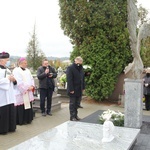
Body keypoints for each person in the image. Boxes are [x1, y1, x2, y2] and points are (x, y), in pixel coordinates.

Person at [13, 57, 35, 125]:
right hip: (21, 92)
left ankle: (28, 119)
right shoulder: (16, 70)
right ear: (20, 63)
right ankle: (21, 121)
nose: (26, 64)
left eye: (26, 63)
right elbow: (18, 81)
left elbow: (31, 79)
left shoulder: (27, 70)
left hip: (28, 91)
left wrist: (32, 86)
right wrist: (26, 88)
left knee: (28, 105)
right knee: (21, 106)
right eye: (25, 63)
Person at [0, 52, 17, 134]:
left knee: (10, 110)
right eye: (7, 60)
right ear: (1, 60)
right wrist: (7, 79)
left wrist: (14, 80)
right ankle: (3, 129)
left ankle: (11, 127)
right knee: (3, 111)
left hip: (10, 95)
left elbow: (12, 80)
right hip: (2, 94)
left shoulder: (7, 69)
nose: (8, 62)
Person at [66, 56, 85, 121]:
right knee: (72, 103)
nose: (80, 63)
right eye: (79, 61)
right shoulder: (70, 68)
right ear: (75, 61)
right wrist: (71, 89)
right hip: (73, 89)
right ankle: (72, 116)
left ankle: (76, 115)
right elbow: (69, 79)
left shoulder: (81, 68)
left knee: (77, 103)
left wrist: (83, 87)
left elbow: (82, 78)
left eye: (81, 62)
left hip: (79, 89)